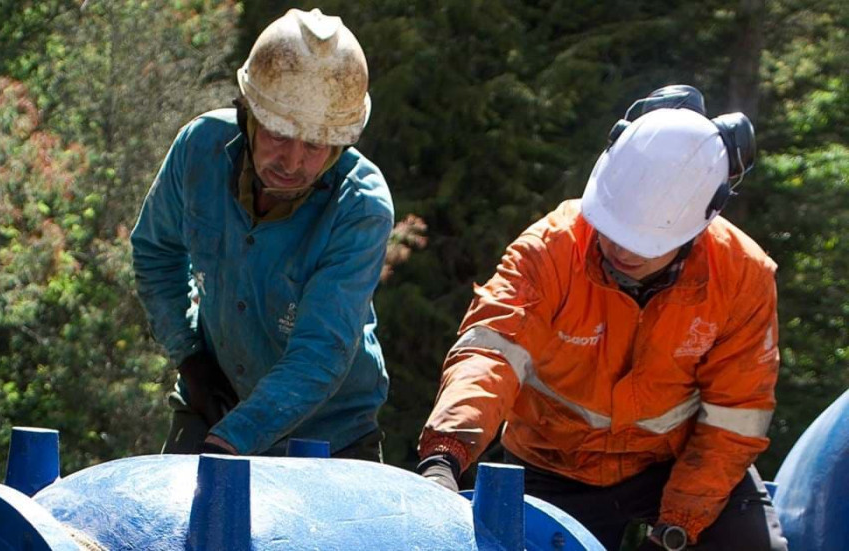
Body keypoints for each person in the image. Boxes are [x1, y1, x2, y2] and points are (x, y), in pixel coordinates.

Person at [416, 86, 787, 550]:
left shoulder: (741, 275)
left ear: (700, 223)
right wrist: (446, 454)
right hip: (551, 465)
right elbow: (491, 354)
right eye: (612, 229)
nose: (622, 249)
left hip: (677, 461)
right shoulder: (550, 248)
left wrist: (678, 526)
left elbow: (735, 419)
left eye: (646, 241)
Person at [131, 8, 392, 460]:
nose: (292, 162)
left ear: (342, 143)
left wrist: (234, 441)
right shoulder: (199, 149)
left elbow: (320, 353)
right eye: (277, 135)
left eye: (314, 145)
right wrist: (191, 358)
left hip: (331, 432)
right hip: (213, 398)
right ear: (247, 114)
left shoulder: (361, 207)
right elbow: (156, 252)